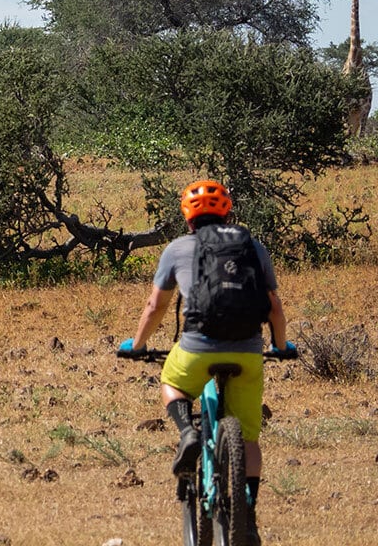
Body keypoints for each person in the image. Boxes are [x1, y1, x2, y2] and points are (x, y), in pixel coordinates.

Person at [123, 179, 290, 546]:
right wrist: (280, 346)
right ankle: (248, 517)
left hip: (197, 348)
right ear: (228, 213)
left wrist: (137, 345)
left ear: (187, 217)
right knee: (248, 439)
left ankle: (188, 432)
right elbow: (275, 308)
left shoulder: (176, 249)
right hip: (247, 352)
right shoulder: (252, 247)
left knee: (172, 383)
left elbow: (155, 306)